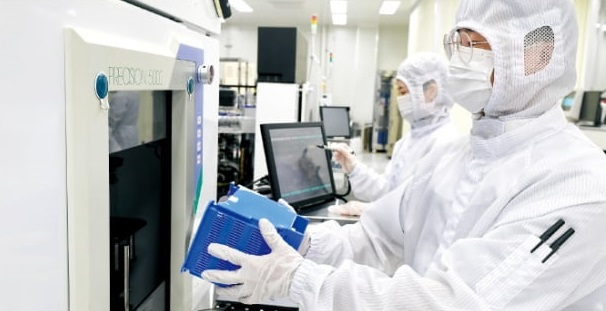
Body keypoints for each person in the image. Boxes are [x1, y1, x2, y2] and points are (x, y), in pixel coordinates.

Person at [202, 0, 606, 309]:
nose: (460, 61)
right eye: (458, 44)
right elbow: (376, 237)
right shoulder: (458, 155)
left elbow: (450, 303)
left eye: (476, 46)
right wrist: (299, 240)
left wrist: (302, 282)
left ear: (534, 55)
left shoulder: (578, 184)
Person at [329, 52, 461, 216]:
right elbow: (388, 191)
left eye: (403, 91)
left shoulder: (446, 143)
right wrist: (353, 167)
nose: (399, 99)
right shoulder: (408, 141)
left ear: (431, 92)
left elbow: (420, 212)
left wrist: (369, 210)